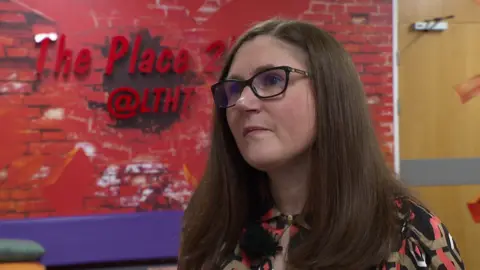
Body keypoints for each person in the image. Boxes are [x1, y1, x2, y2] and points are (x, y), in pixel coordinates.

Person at [178, 18, 465, 270]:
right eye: (234, 88)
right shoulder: (215, 230)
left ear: (330, 94)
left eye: (272, 79)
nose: (243, 102)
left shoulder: (406, 232)